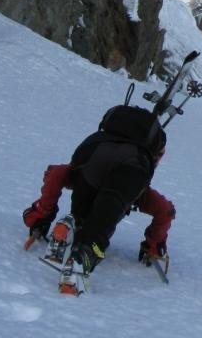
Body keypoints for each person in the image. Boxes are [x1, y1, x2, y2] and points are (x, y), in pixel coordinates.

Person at [22, 103, 176, 294]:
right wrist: (154, 246)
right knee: (104, 218)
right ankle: (81, 258)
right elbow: (165, 211)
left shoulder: (105, 138)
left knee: (83, 210)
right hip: (132, 169)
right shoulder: (141, 170)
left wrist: (41, 214)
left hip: (92, 156)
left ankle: (72, 223)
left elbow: (56, 174)